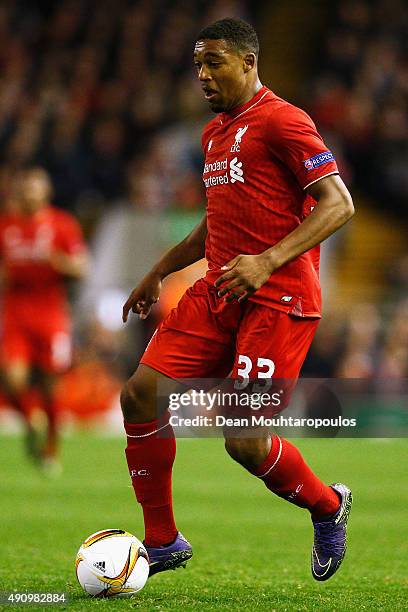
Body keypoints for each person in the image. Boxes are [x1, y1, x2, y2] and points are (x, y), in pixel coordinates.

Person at [121, 18, 354, 581]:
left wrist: (268, 261)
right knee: (139, 395)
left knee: (243, 441)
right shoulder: (213, 135)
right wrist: (158, 269)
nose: (202, 75)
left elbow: (338, 204)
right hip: (219, 291)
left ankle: (328, 505)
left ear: (249, 63)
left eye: (214, 62)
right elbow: (215, 221)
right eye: (197, 64)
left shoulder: (284, 121)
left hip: (278, 297)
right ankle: (164, 541)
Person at [0, 167, 88, 472]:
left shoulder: (62, 225)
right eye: (25, 188)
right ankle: (30, 424)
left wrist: (59, 262)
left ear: (45, 192)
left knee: (51, 386)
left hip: (51, 314)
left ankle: (51, 447)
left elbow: (81, 268)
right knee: (13, 380)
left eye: (35, 188)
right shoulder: (6, 226)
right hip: (16, 313)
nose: (29, 194)